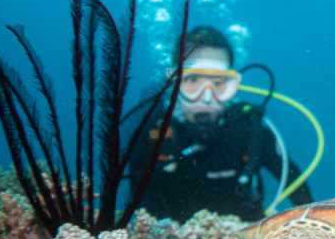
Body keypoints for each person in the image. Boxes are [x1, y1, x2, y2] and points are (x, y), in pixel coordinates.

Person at [129, 26, 313, 222]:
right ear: (175, 82)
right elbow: (140, 210)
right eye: (192, 80)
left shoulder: (249, 131)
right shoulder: (152, 135)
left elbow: (297, 186)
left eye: (218, 83)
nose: (206, 98)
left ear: (232, 86)